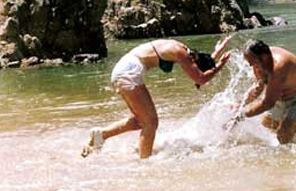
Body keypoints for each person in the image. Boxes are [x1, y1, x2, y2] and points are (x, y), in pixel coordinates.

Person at [82, 36, 232, 159]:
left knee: (142, 120)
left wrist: (216, 53)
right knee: (151, 123)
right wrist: (220, 65)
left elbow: (199, 65)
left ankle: (101, 135)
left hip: (124, 69)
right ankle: (144, 163)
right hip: (129, 72)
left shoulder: (183, 48)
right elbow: (200, 78)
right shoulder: (182, 54)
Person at [228, 39, 296, 144]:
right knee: (267, 126)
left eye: (253, 62)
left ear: (264, 57)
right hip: (280, 98)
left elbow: (267, 104)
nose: (251, 66)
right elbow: (258, 87)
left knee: (283, 135)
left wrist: (241, 116)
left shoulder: (279, 67)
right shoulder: (259, 62)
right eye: (249, 62)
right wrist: (241, 105)